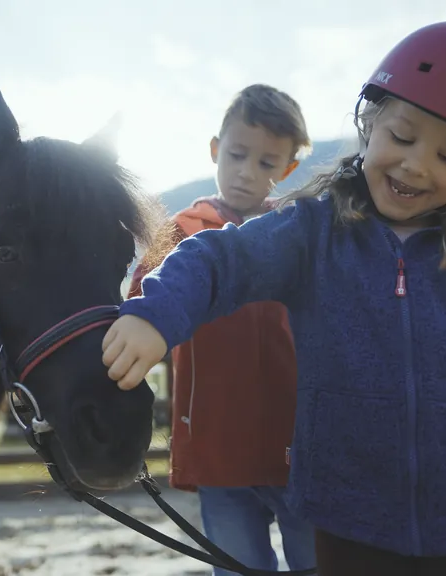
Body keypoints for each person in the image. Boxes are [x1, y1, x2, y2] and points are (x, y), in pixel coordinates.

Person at [103, 20, 446, 576]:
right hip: (350, 525)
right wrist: (157, 314)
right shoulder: (313, 232)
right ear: (370, 124)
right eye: (403, 138)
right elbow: (220, 259)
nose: (416, 164)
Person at [128, 84, 315, 575]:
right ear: (215, 149)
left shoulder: (298, 234)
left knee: (317, 561)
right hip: (218, 440)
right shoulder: (180, 231)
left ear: (287, 169)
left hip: (298, 441)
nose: (247, 171)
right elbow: (141, 299)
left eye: (267, 162)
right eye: (236, 154)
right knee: (237, 566)